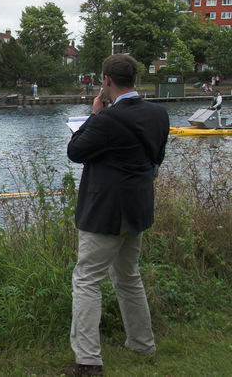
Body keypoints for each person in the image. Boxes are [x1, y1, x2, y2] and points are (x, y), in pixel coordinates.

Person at [66, 54, 169, 376]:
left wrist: (94, 115)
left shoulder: (107, 119)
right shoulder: (158, 113)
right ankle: (142, 344)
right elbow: (157, 157)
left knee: (86, 281)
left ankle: (88, 361)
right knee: (129, 278)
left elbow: (75, 152)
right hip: (138, 207)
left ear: (106, 80)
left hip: (105, 212)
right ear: (134, 79)